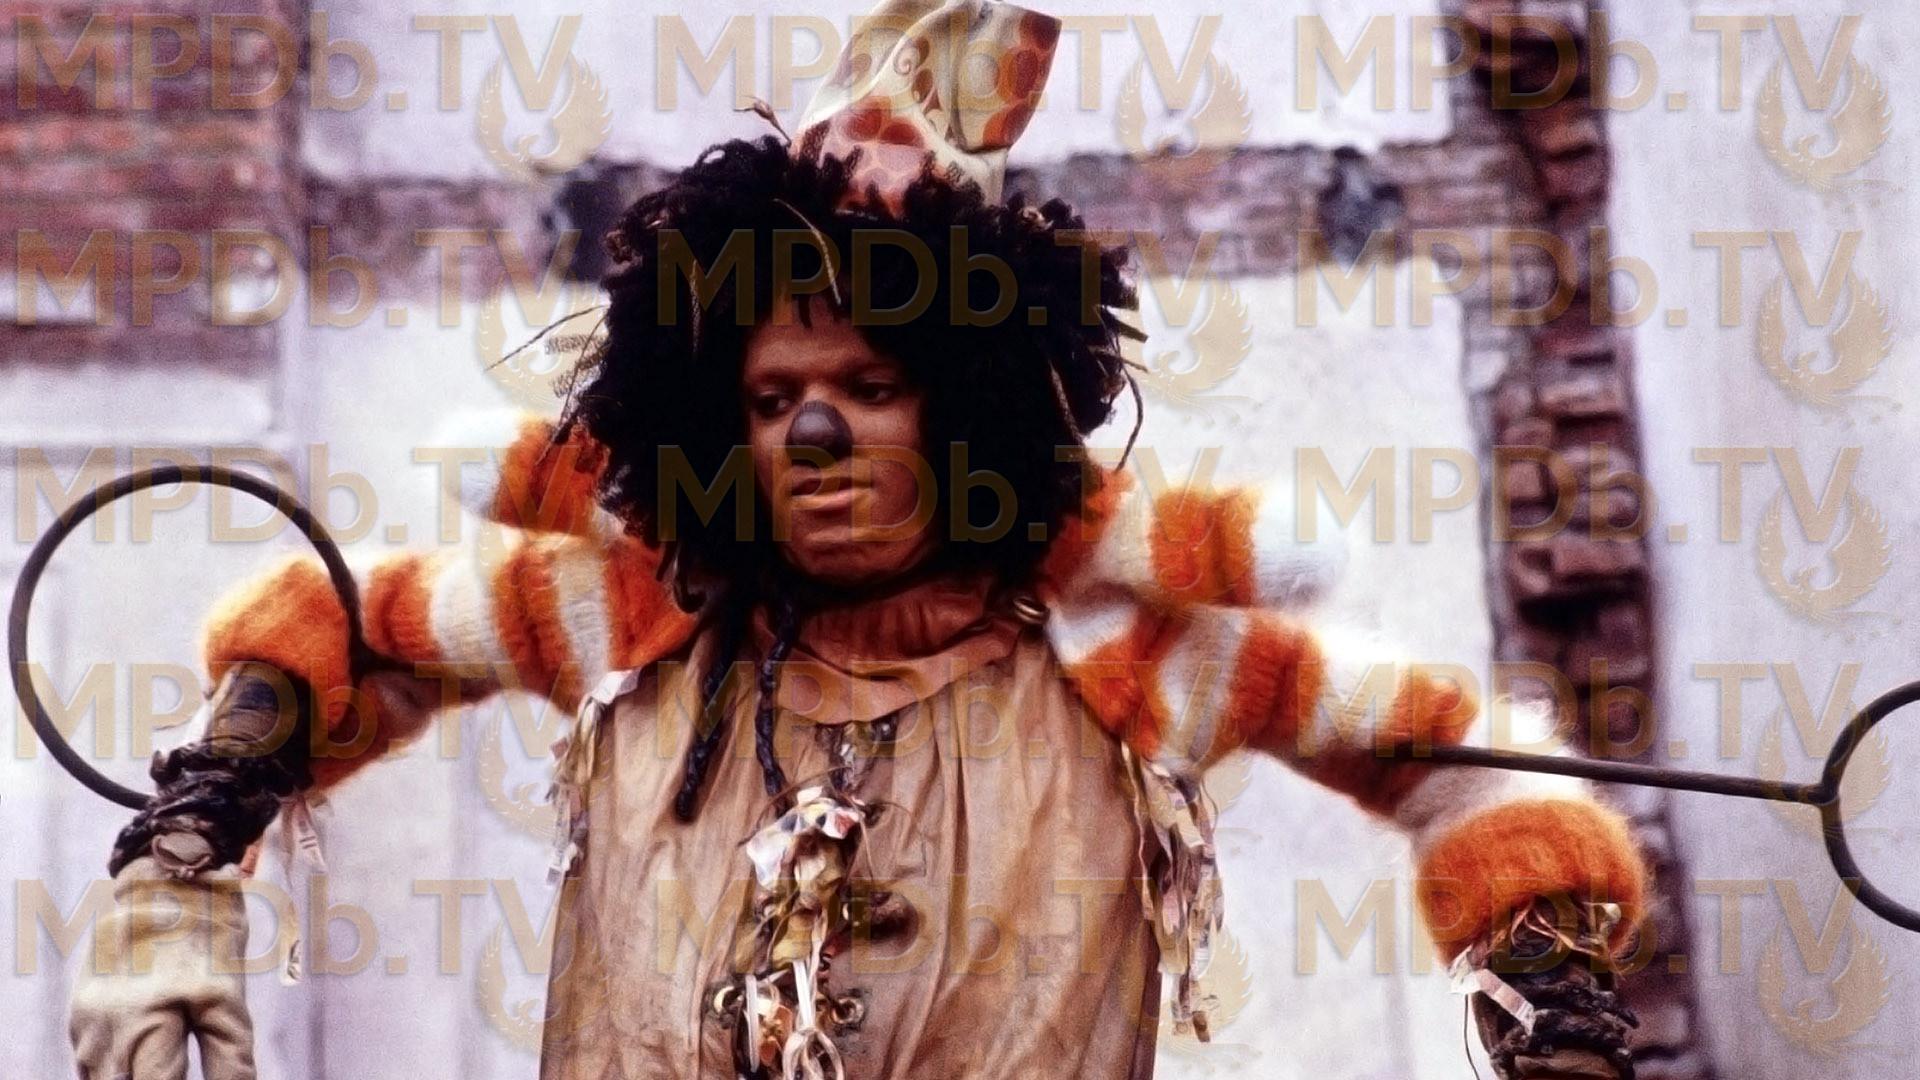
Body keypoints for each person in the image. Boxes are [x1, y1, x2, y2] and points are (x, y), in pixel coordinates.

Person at [69, 1, 1649, 1077]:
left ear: (963, 411)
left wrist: (1552, 1004)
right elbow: (347, 632)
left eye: (869, 389)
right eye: (774, 398)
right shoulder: (641, 616)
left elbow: (1460, 759)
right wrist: (179, 865)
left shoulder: (1123, 660)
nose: (814, 437)